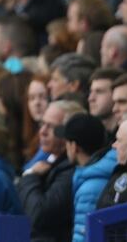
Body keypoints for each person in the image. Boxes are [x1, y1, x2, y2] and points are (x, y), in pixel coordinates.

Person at [18, 100, 85, 242]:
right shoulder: (49, 160)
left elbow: (39, 215)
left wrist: (30, 177)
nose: (42, 132)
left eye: (51, 127)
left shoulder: (71, 168)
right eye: (42, 124)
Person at [59, 114, 116, 242]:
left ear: (74, 147)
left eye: (67, 143)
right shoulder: (103, 171)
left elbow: (83, 235)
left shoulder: (89, 189)